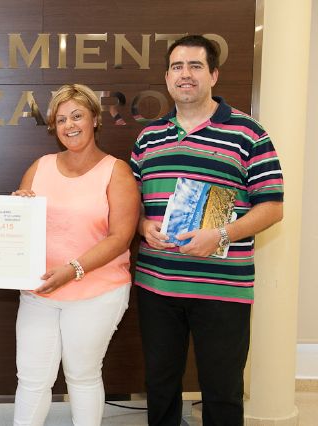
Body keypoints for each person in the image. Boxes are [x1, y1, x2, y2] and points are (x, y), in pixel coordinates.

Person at [131, 35, 284, 425]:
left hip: (222, 289)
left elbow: (272, 207)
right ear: (167, 77)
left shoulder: (249, 133)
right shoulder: (149, 138)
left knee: (222, 391)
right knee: (160, 386)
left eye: (195, 66)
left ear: (213, 75)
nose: (185, 74)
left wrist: (220, 235)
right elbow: (131, 205)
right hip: (158, 287)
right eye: (177, 67)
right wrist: (143, 225)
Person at [12, 83, 140, 426]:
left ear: (95, 119)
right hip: (40, 291)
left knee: (82, 374)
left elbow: (120, 238)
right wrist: (16, 212)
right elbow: (20, 228)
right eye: (61, 119)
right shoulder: (40, 167)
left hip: (97, 291)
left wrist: (72, 270)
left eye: (77, 116)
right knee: (32, 377)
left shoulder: (116, 171)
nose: (69, 125)